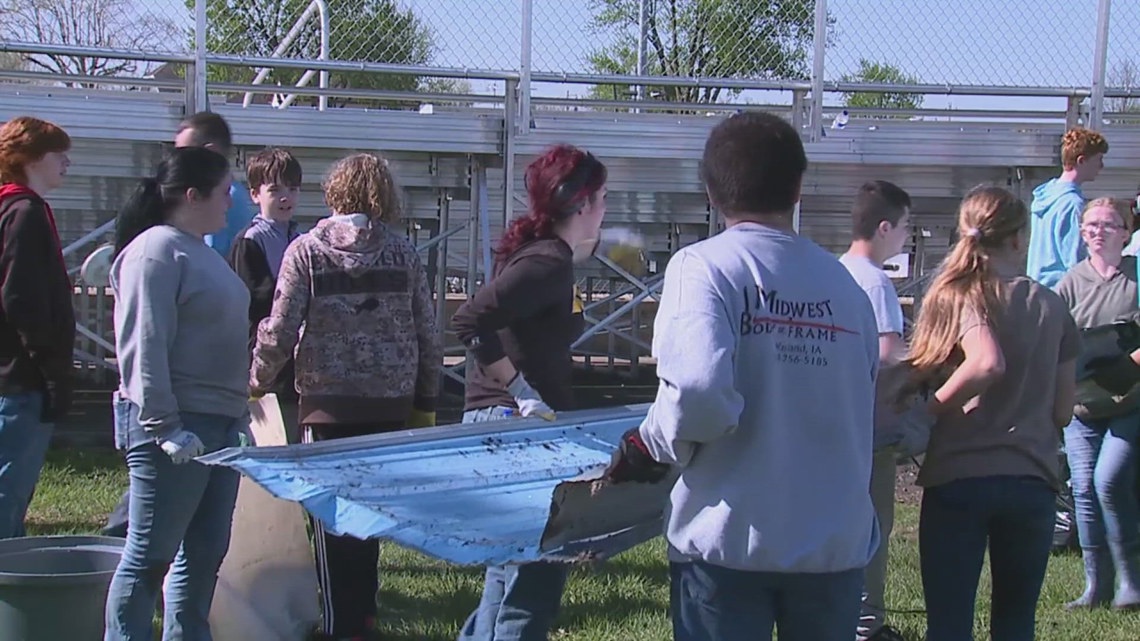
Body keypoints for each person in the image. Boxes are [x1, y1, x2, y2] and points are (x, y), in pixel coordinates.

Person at [605, 111, 880, 641]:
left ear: (711, 191)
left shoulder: (704, 267)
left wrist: (651, 443)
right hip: (833, 546)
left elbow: (700, 393)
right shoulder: (847, 287)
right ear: (798, 189)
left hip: (730, 541)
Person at [249, 152, 442, 641]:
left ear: (333, 192)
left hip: (327, 403)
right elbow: (427, 331)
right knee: (371, 516)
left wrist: (255, 380)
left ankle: (341, 627)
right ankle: (366, 618)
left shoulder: (306, 251)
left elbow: (280, 329)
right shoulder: (403, 253)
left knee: (332, 522)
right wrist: (426, 400)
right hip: (391, 404)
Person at [451, 143, 608, 641]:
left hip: (506, 427)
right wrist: (519, 388)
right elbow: (471, 319)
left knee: (506, 578)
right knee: (531, 587)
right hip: (515, 429)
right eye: (602, 197)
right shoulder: (547, 263)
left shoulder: (546, 257)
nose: (606, 208)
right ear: (581, 203)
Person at [906, 185, 1078, 641]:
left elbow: (981, 363)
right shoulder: (1052, 305)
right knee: (1016, 620)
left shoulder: (956, 296)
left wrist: (930, 411)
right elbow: (1063, 411)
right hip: (1032, 479)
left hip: (958, 478)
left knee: (948, 620)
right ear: (1019, 239)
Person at [103, 146, 251, 640]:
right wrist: (165, 426)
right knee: (150, 556)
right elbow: (145, 343)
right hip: (174, 425)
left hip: (220, 426)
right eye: (224, 192)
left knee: (204, 553)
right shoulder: (156, 250)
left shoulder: (198, 250)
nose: (231, 202)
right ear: (192, 195)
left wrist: (239, 419)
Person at [1054, 197, 1140, 611]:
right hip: (1082, 407)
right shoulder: (1071, 281)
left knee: (1109, 481)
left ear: (1126, 231)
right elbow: (1055, 337)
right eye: (1090, 225)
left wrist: (1122, 372)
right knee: (1084, 489)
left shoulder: (1136, 276)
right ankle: (1095, 587)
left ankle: (1131, 581)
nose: (1097, 231)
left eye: (1108, 225)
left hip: (1129, 401)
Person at [838, 180, 912, 641]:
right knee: (873, 529)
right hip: (870, 431)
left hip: (834, 426)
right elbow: (888, 356)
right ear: (884, 228)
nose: (906, 236)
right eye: (905, 227)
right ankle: (867, 625)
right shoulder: (876, 282)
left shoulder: (833, 271)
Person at [0, 115, 75, 539]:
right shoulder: (25, 213)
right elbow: (21, 299)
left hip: (13, 375)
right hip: (21, 379)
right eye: (57, 154)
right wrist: (50, 369)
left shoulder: (10, 207)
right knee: (8, 490)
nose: (66, 162)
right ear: (29, 158)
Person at [227, 147, 303, 443]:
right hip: (261, 359)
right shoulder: (250, 241)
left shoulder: (300, 239)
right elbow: (253, 304)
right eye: (275, 190)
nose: (286, 197)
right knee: (266, 436)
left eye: (293, 189)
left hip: (296, 361)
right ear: (255, 194)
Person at [1026, 126, 1108, 288]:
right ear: (1082, 161)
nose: (1101, 166)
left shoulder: (1045, 194)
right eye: (1098, 160)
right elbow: (1076, 262)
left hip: (1038, 289)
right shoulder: (1072, 204)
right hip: (1061, 294)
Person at [173, 111, 256, 256]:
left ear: (211, 152)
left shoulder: (223, 199)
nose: (175, 162)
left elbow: (207, 261)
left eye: (184, 154)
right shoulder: (232, 194)